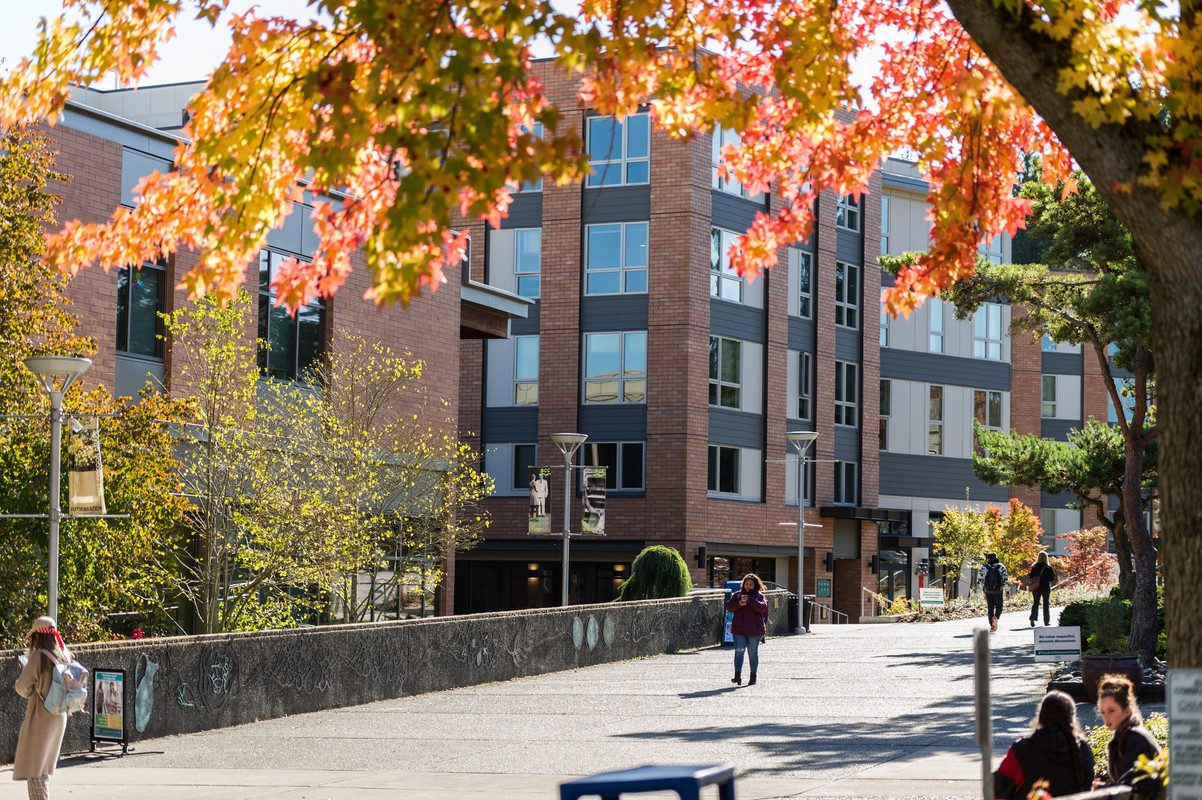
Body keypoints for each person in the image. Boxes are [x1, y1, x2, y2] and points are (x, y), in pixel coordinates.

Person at [13, 616, 73, 800]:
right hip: (59, 714)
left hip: (41, 717)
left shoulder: (38, 657)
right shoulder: (63, 654)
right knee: (43, 769)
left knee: (34, 770)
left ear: (36, 636)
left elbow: (22, 688)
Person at [993, 690, 1094, 799]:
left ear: (1040, 718)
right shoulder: (1083, 749)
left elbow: (995, 789)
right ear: (1072, 719)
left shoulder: (1022, 750)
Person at [1097, 675, 1162, 794]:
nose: (1106, 717)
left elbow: (1133, 787)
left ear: (1127, 711)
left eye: (1111, 711)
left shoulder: (1135, 738)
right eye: (1102, 712)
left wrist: (1099, 788)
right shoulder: (1125, 735)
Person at [725, 573, 769, 686]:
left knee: (752, 653)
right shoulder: (737, 595)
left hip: (755, 630)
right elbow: (729, 607)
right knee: (739, 652)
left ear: (755, 585)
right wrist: (739, 603)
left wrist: (750, 600)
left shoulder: (760, 596)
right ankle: (737, 676)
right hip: (739, 629)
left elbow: (762, 608)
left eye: (750, 584)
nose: (748, 586)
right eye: (746, 584)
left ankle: (753, 676)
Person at [978, 553, 1009, 632]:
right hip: (998, 590)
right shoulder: (1001, 567)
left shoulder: (984, 567)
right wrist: (1007, 592)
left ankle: (992, 625)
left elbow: (979, 580)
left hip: (988, 590)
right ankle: (996, 617)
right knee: (999, 606)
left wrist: (983, 589)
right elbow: (1005, 580)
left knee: (990, 607)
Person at [1027, 552, 1056, 627]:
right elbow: (1052, 578)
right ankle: (1046, 621)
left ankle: (1033, 617)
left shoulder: (1034, 567)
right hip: (1045, 588)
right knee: (1045, 604)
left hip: (1036, 588)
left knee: (1035, 603)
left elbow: (1030, 577)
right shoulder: (1048, 567)